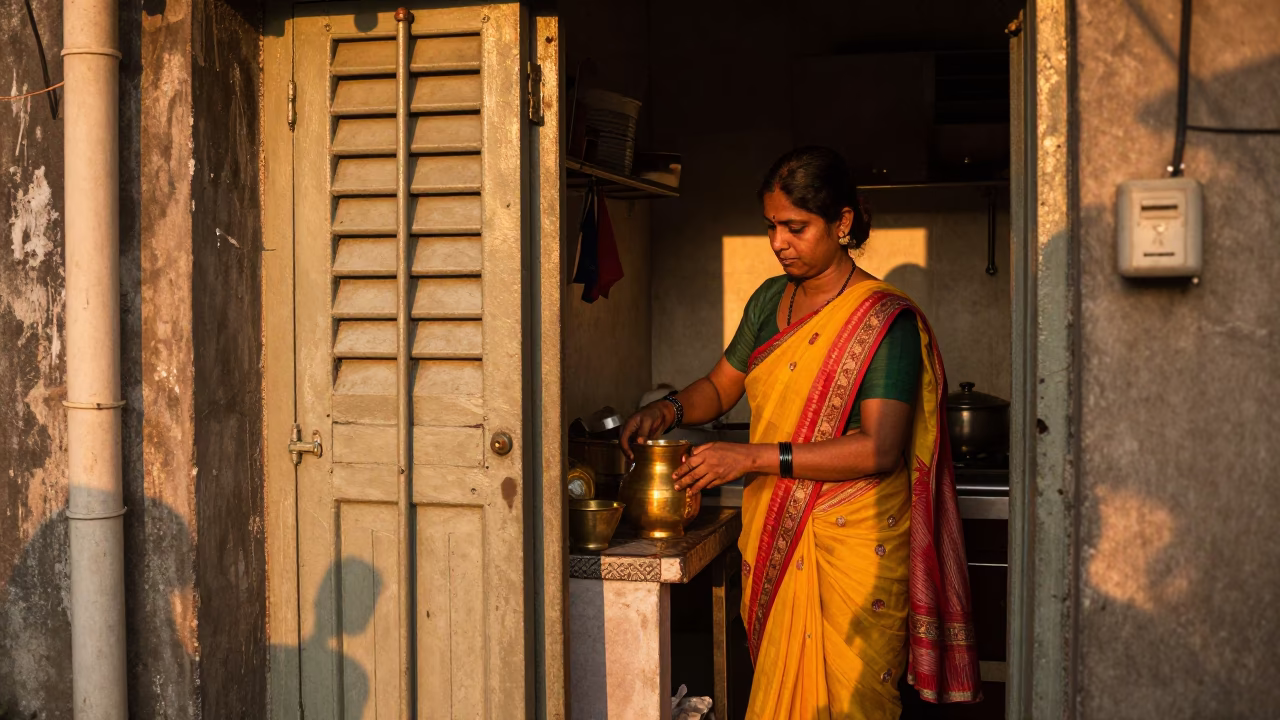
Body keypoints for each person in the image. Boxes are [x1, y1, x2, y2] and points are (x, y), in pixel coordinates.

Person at [620, 147, 981, 719]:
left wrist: (750, 457)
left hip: (854, 549)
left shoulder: (883, 321)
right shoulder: (770, 299)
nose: (779, 242)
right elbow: (719, 388)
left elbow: (880, 448)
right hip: (777, 538)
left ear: (842, 224)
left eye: (796, 227)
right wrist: (666, 410)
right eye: (771, 227)